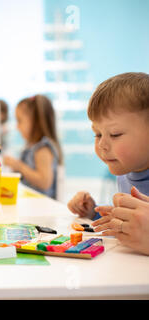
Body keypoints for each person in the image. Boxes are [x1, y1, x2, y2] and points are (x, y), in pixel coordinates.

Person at [67, 72, 149, 254]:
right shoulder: (125, 173)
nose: (102, 144)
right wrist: (93, 214)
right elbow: (128, 226)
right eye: (97, 134)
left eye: (115, 134)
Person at [3, 95, 63, 199]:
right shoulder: (31, 147)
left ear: (36, 122)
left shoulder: (43, 149)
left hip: (41, 206)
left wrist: (19, 166)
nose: (17, 127)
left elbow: (44, 182)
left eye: (20, 121)